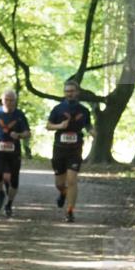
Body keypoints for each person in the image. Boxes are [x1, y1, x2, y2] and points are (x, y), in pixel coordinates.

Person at [46, 79, 94, 223]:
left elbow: (88, 126)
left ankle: (70, 211)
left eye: (72, 91)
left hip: (75, 150)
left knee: (72, 180)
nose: (69, 94)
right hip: (60, 150)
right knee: (59, 184)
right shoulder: (58, 109)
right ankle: (63, 193)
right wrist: (60, 125)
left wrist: (93, 132)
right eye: (67, 92)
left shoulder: (84, 110)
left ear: (77, 92)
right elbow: (48, 126)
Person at [0, 89, 31, 217]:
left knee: (14, 181)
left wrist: (19, 135)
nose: (9, 103)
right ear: (2, 100)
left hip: (13, 151)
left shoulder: (20, 115)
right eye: (6, 100)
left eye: (11, 100)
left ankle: (9, 204)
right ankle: (0, 194)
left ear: (15, 101)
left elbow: (28, 133)